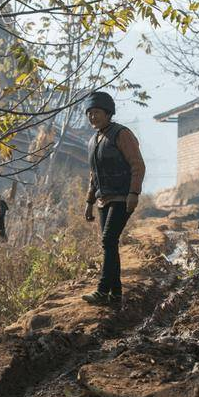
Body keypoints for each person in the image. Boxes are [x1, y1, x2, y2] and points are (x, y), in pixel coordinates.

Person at [82, 91, 145, 307]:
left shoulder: (122, 134)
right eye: (89, 113)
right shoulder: (93, 140)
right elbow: (93, 175)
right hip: (103, 200)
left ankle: (102, 291)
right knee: (110, 245)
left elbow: (137, 165)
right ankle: (116, 294)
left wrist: (134, 193)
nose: (93, 117)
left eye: (97, 112)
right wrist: (89, 202)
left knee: (108, 240)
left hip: (122, 197)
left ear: (108, 113)